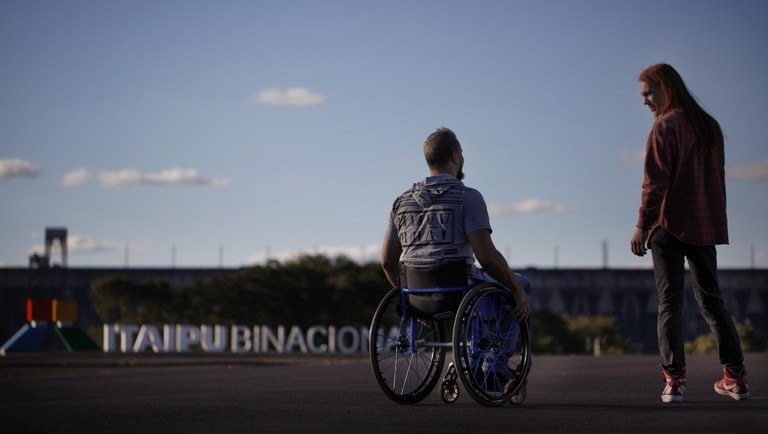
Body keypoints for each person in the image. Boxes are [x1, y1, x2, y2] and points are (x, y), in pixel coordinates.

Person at [630, 63, 750, 403]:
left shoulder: (664, 127)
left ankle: (675, 382)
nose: (645, 101)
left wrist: (642, 224)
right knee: (712, 301)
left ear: (667, 88)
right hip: (703, 225)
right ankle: (736, 377)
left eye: (649, 92)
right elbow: (715, 181)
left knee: (670, 303)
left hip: (667, 225)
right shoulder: (708, 126)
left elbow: (655, 183)